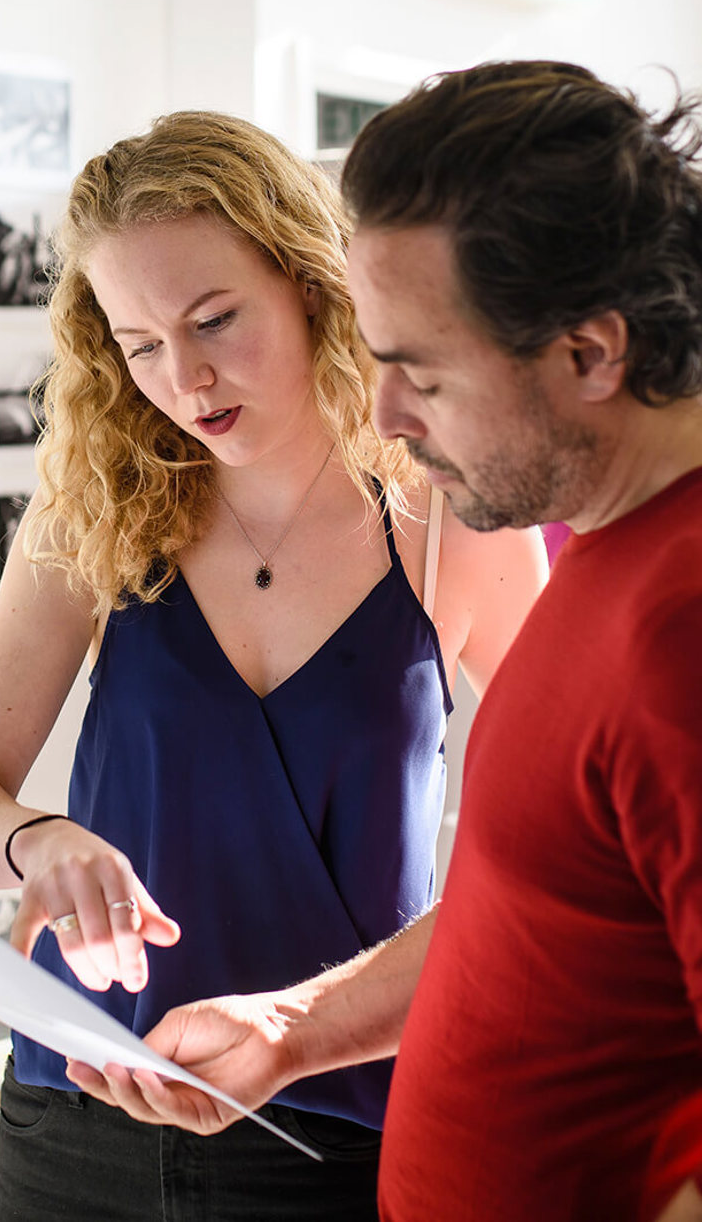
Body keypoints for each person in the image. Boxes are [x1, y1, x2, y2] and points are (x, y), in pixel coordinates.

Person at [67, 63, 702, 1222]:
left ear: (592, 355)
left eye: (422, 370)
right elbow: (525, 920)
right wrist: (289, 1026)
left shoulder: (680, 628)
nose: (387, 412)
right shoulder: (605, 568)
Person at [0, 108, 546, 1221]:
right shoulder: (98, 510)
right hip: (82, 1103)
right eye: (141, 344)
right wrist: (35, 841)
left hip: (341, 1116)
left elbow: (567, 829)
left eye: (214, 319)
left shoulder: (452, 513)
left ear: (311, 283)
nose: (185, 379)